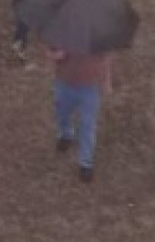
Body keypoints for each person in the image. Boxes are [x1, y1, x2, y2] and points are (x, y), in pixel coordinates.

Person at [45, 43, 111, 183]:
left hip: (90, 87)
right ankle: (66, 134)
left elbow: (105, 57)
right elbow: (50, 52)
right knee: (62, 113)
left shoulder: (98, 35)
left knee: (87, 123)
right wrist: (57, 55)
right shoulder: (62, 30)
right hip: (64, 83)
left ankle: (85, 163)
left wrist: (106, 81)